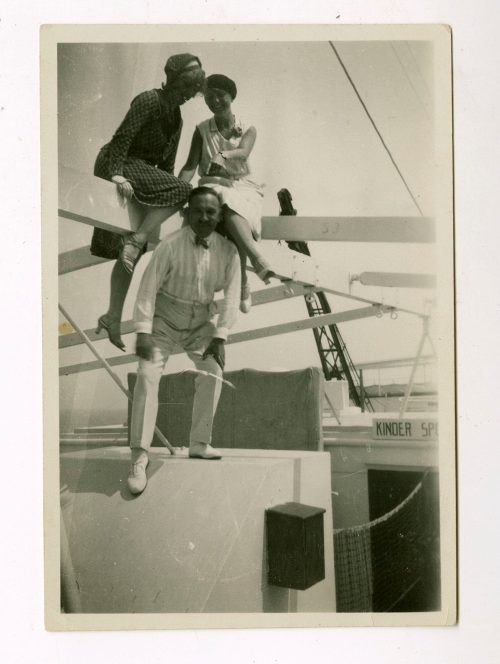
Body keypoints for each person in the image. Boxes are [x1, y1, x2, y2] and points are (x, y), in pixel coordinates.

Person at [127, 186, 241, 495]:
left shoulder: (229, 253)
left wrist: (220, 336)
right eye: (198, 211)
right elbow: (147, 287)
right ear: (186, 213)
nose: (204, 217)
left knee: (214, 371)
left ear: (219, 217)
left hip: (200, 324)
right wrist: (143, 331)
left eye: (211, 212)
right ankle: (139, 458)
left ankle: (199, 443)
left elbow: (232, 296)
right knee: (147, 376)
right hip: (164, 320)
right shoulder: (169, 245)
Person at [94, 53, 205, 351]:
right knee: (184, 192)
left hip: (142, 173)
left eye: (190, 93)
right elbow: (121, 139)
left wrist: (163, 198)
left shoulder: (177, 119)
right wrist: (116, 174)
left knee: (133, 252)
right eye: (185, 89)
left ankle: (112, 316)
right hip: (117, 162)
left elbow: (166, 167)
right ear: (173, 81)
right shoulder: (148, 100)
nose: (186, 97)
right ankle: (138, 237)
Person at [178, 73, 274, 314]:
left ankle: (243, 279)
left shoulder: (247, 126)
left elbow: (243, 152)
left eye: (220, 96)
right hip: (213, 185)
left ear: (231, 96)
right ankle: (253, 266)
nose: (215, 101)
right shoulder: (201, 130)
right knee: (221, 200)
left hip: (242, 186)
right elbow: (190, 166)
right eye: (210, 97)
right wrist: (178, 190)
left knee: (233, 210)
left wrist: (222, 156)